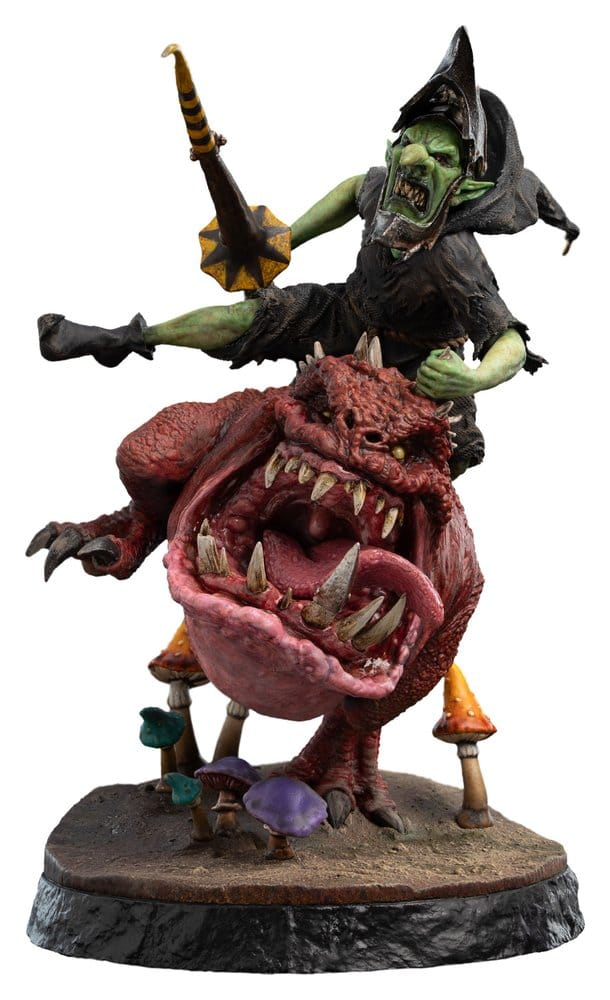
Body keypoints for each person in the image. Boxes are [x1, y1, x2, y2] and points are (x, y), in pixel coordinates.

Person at [38, 28, 578, 477]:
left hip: (420, 361)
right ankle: (126, 338)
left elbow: (507, 340)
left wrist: (474, 379)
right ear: (393, 148)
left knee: (448, 449)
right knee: (252, 315)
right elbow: (350, 193)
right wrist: (282, 242)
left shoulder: (453, 256)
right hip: (346, 313)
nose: (415, 160)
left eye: (440, 158)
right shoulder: (378, 186)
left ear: (462, 188)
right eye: (410, 144)